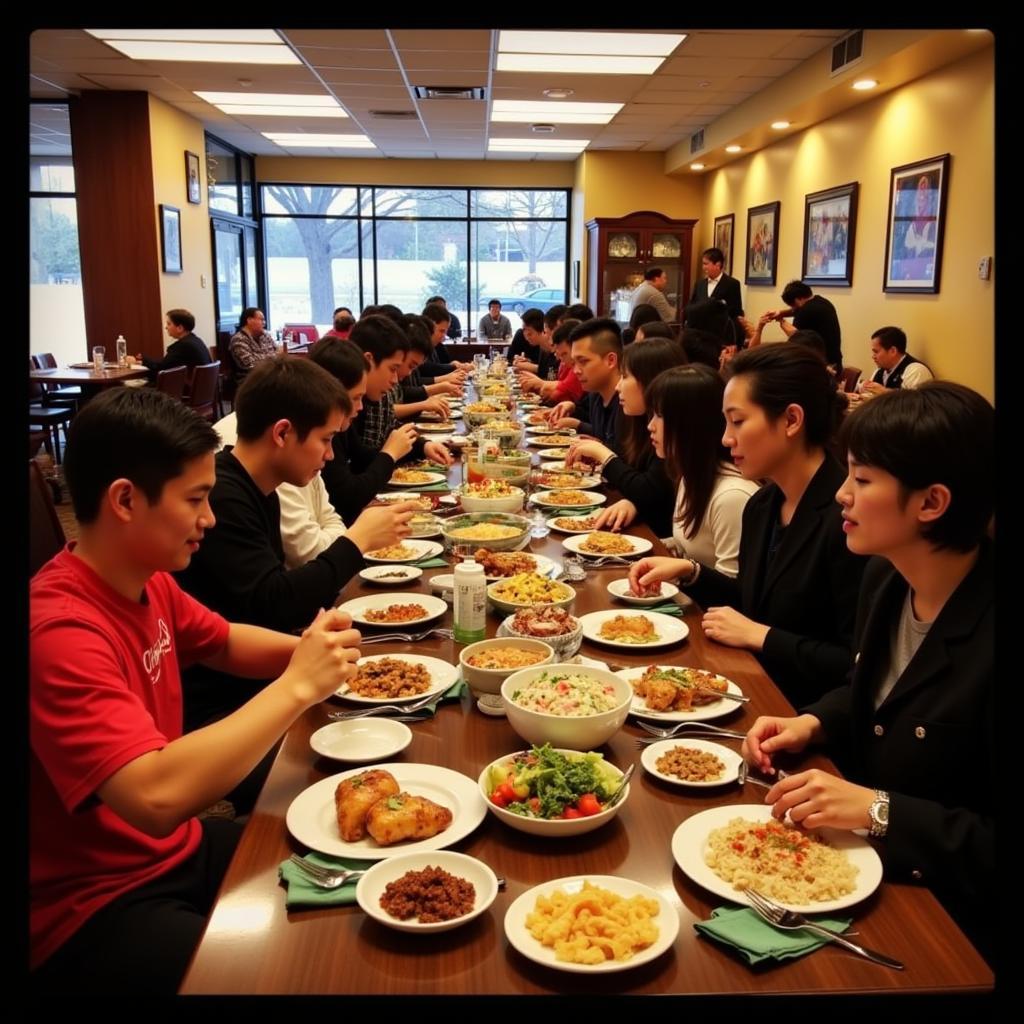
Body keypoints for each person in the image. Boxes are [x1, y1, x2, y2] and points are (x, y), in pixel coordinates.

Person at [30, 387, 361, 994]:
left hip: (177, 848)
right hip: (92, 901)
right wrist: (296, 686)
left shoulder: (145, 579)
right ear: (126, 500)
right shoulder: (58, 630)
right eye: (196, 499)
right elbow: (153, 796)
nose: (210, 518)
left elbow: (225, 640)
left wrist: (324, 657)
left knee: (351, 885)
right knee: (285, 974)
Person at [742, 382, 994, 962]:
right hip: (847, 866)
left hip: (947, 926)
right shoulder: (886, 578)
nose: (842, 496)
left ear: (931, 503)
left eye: (862, 480)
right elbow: (876, 693)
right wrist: (812, 723)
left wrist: (880, 809)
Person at [175, 357, 416, 732]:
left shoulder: (261, 487)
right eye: (325, 439)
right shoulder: (224, 496)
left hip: (264, 676)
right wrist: (358, 540)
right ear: (283, 433)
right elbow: (275, 603)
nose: (331, 455)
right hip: (226, 706)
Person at [629, 344, 867, 706]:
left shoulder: (848, 518)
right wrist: (691, 572)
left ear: (791, 420)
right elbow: (754, 603)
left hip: (797, 711)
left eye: (738, 421)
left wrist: (762, 636)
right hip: (748, 684)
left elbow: (854, 664)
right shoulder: (764, 505)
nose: (726, 438)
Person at [609, 364, 759, 573]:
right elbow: (692, 549)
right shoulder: (690, 476)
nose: (650, 425)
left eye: (659, 416)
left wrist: (688, 571)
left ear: (690, 423)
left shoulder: (732, 497)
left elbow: (733, 590)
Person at [569, 337, 686, 539]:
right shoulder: (636, 421)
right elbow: (632, 476)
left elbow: (652, 492)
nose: (618, 386)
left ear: (651, 381)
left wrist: (603, 454)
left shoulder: (672, 434)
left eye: (625, 376)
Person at [308, 337, 421, 524]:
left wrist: (419, 447)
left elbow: (362, 457)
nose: (360, 407)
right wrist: (390, 454)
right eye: (355, 398)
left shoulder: (340, 426)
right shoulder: (320, 433)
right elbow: (347, 498)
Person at [547, 318, 625, 452]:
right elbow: (601, 435)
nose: (576, 370)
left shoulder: (628, 403)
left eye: (583, 361)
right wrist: (573, 409)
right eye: (574, 362)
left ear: (611, 360)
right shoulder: (595, 395)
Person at [756, 281, 843, 374]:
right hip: (836, 362)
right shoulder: (822, 302)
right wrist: (780, 313)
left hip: (822, 366)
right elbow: (795, 310)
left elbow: (797, 338)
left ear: (798, 300)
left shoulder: (804, 312)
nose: (792, 309)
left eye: (792, 305)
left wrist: (781, 321)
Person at [515, 319, 584, 406]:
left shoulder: (576, 367)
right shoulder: (557, 357)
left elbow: (556, 394)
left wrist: (540, 383)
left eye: (546, 332)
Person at [133, 308, 212, 374]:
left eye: (169, 324)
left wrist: (142, 359)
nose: (166, 327)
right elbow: (167, 364)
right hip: (202, 390)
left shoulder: (184, 346)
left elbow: (161, 369)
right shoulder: (196, 340)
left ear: (180, 328)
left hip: (183, 391)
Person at [687, 246, 744, 337]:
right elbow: (692, 305)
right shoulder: (699, 284)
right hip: (699, 333)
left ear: (717, 264)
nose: (703, 267)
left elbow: (736, 312)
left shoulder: (732, 284)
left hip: (721, 334)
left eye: (706, 264)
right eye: (703, 264)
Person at [860, 325, 934, 394]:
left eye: (876, 352)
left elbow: (916, 404)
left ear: (893, 351)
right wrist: (864, 387)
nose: (873, 356)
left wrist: (885, 392)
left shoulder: (916, 371)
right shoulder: (880, 371)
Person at [228, 307, 277, 384]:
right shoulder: (238, 339)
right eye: (261, 319)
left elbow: (278, 354)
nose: (264, 323)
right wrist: (272, 358)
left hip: (269, 375)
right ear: (249, 320)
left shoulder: (265, 335)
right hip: (249, 380)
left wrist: (271, 358)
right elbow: (250, 365)